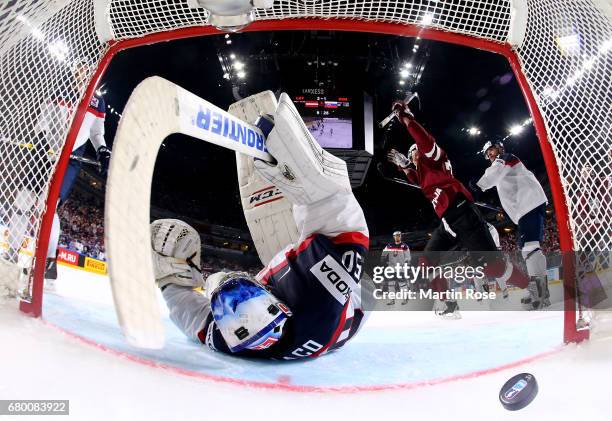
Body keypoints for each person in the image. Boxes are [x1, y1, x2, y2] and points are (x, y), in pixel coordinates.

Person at [154, 93, 369, 359]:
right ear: (280, 305)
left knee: (220, 281)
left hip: (308, 316)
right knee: (330, 220)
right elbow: (343, 215)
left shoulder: (233, 336)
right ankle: (300, 250)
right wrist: (307, 182)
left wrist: (170, 282)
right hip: (354, 306)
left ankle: (290, 256)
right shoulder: (319, 295)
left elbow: (192, 317)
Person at [385, 99, 529, 315]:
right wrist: (404, 166)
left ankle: (529, 286)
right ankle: (449, 306)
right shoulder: (424, 172)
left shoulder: (432, 158)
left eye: (414, 152)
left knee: (492, 267)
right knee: (426, 261)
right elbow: (419, 181)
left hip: (462, 212)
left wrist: (406, 118)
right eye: (411, 154)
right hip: (448, 221)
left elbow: (424, 141)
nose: (413, 155)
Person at [1, 59, 111, 285]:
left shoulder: (98, 101)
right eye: (79, 67)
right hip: (44, 152)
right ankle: (11, 252)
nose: (83, 71)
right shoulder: (59, 88)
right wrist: (41, 139)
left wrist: (103, 151)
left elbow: (96, 133)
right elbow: (43, 120)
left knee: (49, 207)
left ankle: (49, 262)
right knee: (23, 201)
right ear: (74, 70)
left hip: (69, 159)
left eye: (87, 68)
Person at [473, 141, 549, 308]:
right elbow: (507, 186)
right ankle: (541, 292)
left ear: (499, 148)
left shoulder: (505, 159)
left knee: (530, 248)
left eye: (491, 150)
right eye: (487, 154)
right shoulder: (504, 167)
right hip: (526, 208)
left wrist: (477, 187)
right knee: (528, 249)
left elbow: (492, 175)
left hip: (529, 204)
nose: (489, 155)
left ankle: (540, 294)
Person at [380, 230, 411, 305]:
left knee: (402, 284)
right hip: (391, 268)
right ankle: (392, 300)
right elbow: (383, 254)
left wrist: (406, 262)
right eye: (396, 235)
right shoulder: (389, 245)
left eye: (399, 235)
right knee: (390, 284)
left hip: (400, 268)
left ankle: (405, 298)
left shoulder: (404, 246)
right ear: (393, 237)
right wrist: (383, 260)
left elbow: (408, 257)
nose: (397, 237)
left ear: (400, 236)